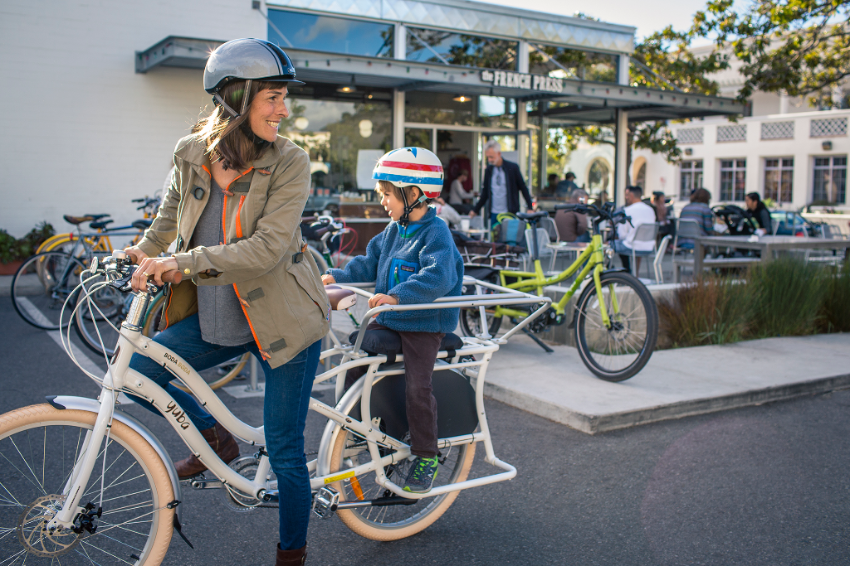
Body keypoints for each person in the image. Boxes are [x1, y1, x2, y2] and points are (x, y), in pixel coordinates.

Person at [124, 38, 328, 566]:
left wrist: (180, 263)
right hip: (216, 314)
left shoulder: (290, 162)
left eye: (285, 98)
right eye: (272, 98)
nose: (284, 110)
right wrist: (140, 253)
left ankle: (291, 555)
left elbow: (266, 248)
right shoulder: (190, 152)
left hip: (283, 320)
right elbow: (167, 218)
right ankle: (215, 437)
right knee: (140, 372)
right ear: (236, 98)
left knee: (284, 450)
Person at [322, 147, 464, 494]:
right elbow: (368, 264)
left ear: (413, 194)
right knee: (355, 358)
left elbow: (439, 276)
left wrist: (399, 295)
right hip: (392, 318)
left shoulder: (436, 233)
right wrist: (336, 275)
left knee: (418, 388)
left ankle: (426, 455)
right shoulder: (391, 231)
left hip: (424, 324)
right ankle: (355, 425)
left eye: (387, 194)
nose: (383, 201)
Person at [470, 140, 534, 227]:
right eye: (488, 157)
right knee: (495, 238)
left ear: (499, 154)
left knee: (510, 238)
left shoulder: (512, 168)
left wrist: (530, 207)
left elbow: (523, 188)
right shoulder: (489, 170)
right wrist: (475, 210)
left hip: (509, 213)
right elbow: (485, 193)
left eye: (491, 157)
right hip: (494, 213)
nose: (489, 160)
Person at [614, 185, 657, 274]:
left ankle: (626, 272)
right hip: (649, 247)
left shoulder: (627, 210)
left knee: (612, 244)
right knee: (633, 243)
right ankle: (635, 274)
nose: (626, 198)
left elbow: (622, 235)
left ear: (632, 196)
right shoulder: (651, 210)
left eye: (627, 195)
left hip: (632, 247)